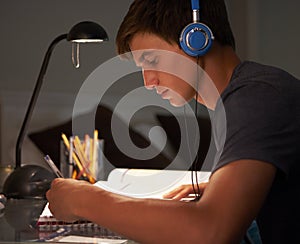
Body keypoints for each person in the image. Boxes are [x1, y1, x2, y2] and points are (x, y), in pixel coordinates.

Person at [46, 0, 300, 243]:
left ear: (196, 40)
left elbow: (210, 232)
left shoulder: (258, 98)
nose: (148, 83)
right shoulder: (247, 96)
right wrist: (226, 189)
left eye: (153, 61)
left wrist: (86, 201)